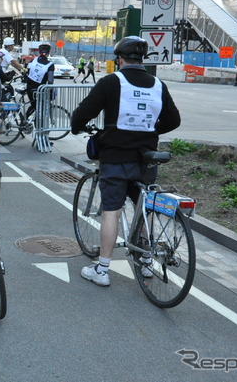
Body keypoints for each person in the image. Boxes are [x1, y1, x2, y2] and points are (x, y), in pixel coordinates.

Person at [70, 36, 181, 287]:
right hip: (146, 158)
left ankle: (102, 269)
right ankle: (146, 261)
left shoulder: (112, 81)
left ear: (119, 59)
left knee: (112, 209)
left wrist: (76, 126)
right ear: (141, 60)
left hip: (115, 156)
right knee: (144, 207)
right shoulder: (157, 84)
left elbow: (85, 111)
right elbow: (173, 120)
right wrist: (148, 130)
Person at [25, 43, 55, 116]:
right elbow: (50, 80)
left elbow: (27, 72)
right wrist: (51, 89)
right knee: (40, 107)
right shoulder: (50, 64)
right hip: (41, 89)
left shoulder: (32, 61)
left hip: (30, 88)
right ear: (49, 52)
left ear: (39, 52)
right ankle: (29, 122)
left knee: (34, 106)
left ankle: (24, 122)